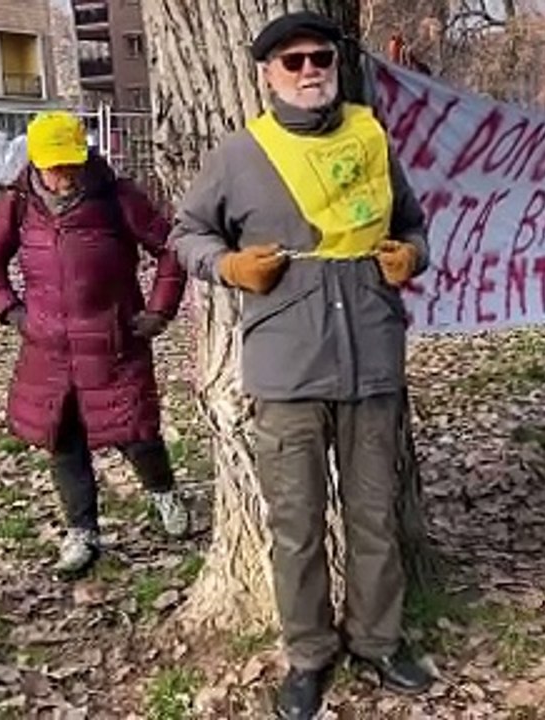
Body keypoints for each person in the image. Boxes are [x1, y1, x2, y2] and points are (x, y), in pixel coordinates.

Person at [168, 11, 433, 719]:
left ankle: (378, 642)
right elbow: (185, 232)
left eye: (321, 58)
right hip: (287, 366)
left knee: (374, 514)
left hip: (372, 356)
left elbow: (412, 222)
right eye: (294, 62)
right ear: (267, 76)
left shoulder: (372, 138)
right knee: (297, 522)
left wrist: (413, 255)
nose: (311, 70)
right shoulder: (240, 155)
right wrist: (225, 264)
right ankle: (309, 655)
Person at [0, 111, 190, 576]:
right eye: (54, 166)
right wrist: (10, 310)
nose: (64, 175)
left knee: (138, 433)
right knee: (64, 441)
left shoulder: (117, 196)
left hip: (114, 342)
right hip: (47, 350)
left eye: (71, 163)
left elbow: (172, 248)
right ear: (35, 161)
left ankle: (164, 495)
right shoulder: (17, 202)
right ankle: (83, 531)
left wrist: (159, 310)